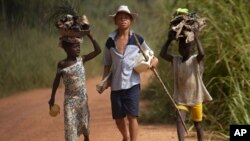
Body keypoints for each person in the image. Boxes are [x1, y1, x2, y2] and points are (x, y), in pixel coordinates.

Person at [100, 5, 158, 141]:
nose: (123, 20)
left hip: (133, 83)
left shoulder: (137, 39)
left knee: (132, 116)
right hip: (116, 85)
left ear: (131, 21)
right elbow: (107, 63)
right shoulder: (110, 41)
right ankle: (125, 136)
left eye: (126, 18)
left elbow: (152, 56)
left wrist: (154, 62)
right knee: (118, 118)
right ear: (115, 21)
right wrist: (104, 81)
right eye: (120, 18)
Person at [160, 27, 213, 141]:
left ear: (192, 47)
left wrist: (196, 37)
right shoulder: (176, 60)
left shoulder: (195, 60)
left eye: (186, 46)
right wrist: (169, 40)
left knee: (198, 125)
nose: (183, 48)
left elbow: (202, 54)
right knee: (179, 120)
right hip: (181, 98)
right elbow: (162, 54)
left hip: (196, 99)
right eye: (181, 46)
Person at [48, 30, 101, 141]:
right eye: (75, 46)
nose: (78, 48)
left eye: (79, 46)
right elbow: (56, 81)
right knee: (70, 128)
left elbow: (98, 50)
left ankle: (86, 138)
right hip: (70, 101)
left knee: (84, 125)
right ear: (66, 49)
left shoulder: (81, 60)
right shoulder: (62, 64)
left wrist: (90, 35)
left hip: (82, 100)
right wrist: (52, 97)